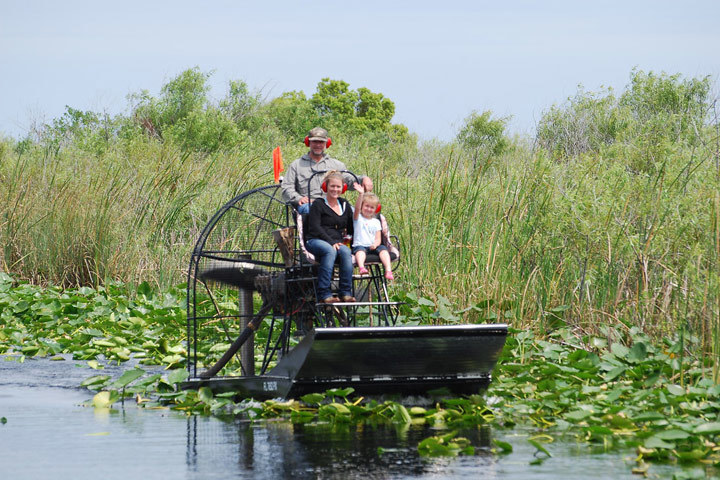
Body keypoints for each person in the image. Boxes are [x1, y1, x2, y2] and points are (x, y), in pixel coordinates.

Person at [281, 127, 373, 214]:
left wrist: (363, 179)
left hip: (333, 204)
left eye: (321, 142)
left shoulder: (336, 165)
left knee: (356, 213)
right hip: (309, 206)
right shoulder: (296, 165)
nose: (318, 145)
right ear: (308, 142)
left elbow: (349, 180)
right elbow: (286, 188)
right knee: (317, 211)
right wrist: (298, 198)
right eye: (315, 142)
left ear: (327, 143)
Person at [305, 171, 356, 303]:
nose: (335, 189)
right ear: (325, 187)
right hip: (315, 240)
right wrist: (331, 241)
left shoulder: (344, 205)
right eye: (332, 186)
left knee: (346, 252)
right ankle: (324, 293)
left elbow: (351, 227)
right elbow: (315, 227)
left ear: (343, 188)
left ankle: (345, 292)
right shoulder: (318, 204)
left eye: (338, 187)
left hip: (337, 242)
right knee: (329, 250)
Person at [352, 184, 394, 281]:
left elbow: (378, 238)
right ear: (362, 206)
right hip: (360, 245)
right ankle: (362, 267)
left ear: (376, 209)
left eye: (372, 207)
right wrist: (361, 194)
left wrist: (375, 245)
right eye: (366, 206)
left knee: (384, 250)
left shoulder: (376, 222)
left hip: (373, 246)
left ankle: (388, 270)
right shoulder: (358, 218)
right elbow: (357, 208)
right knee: (360, 252)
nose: (368, 209)